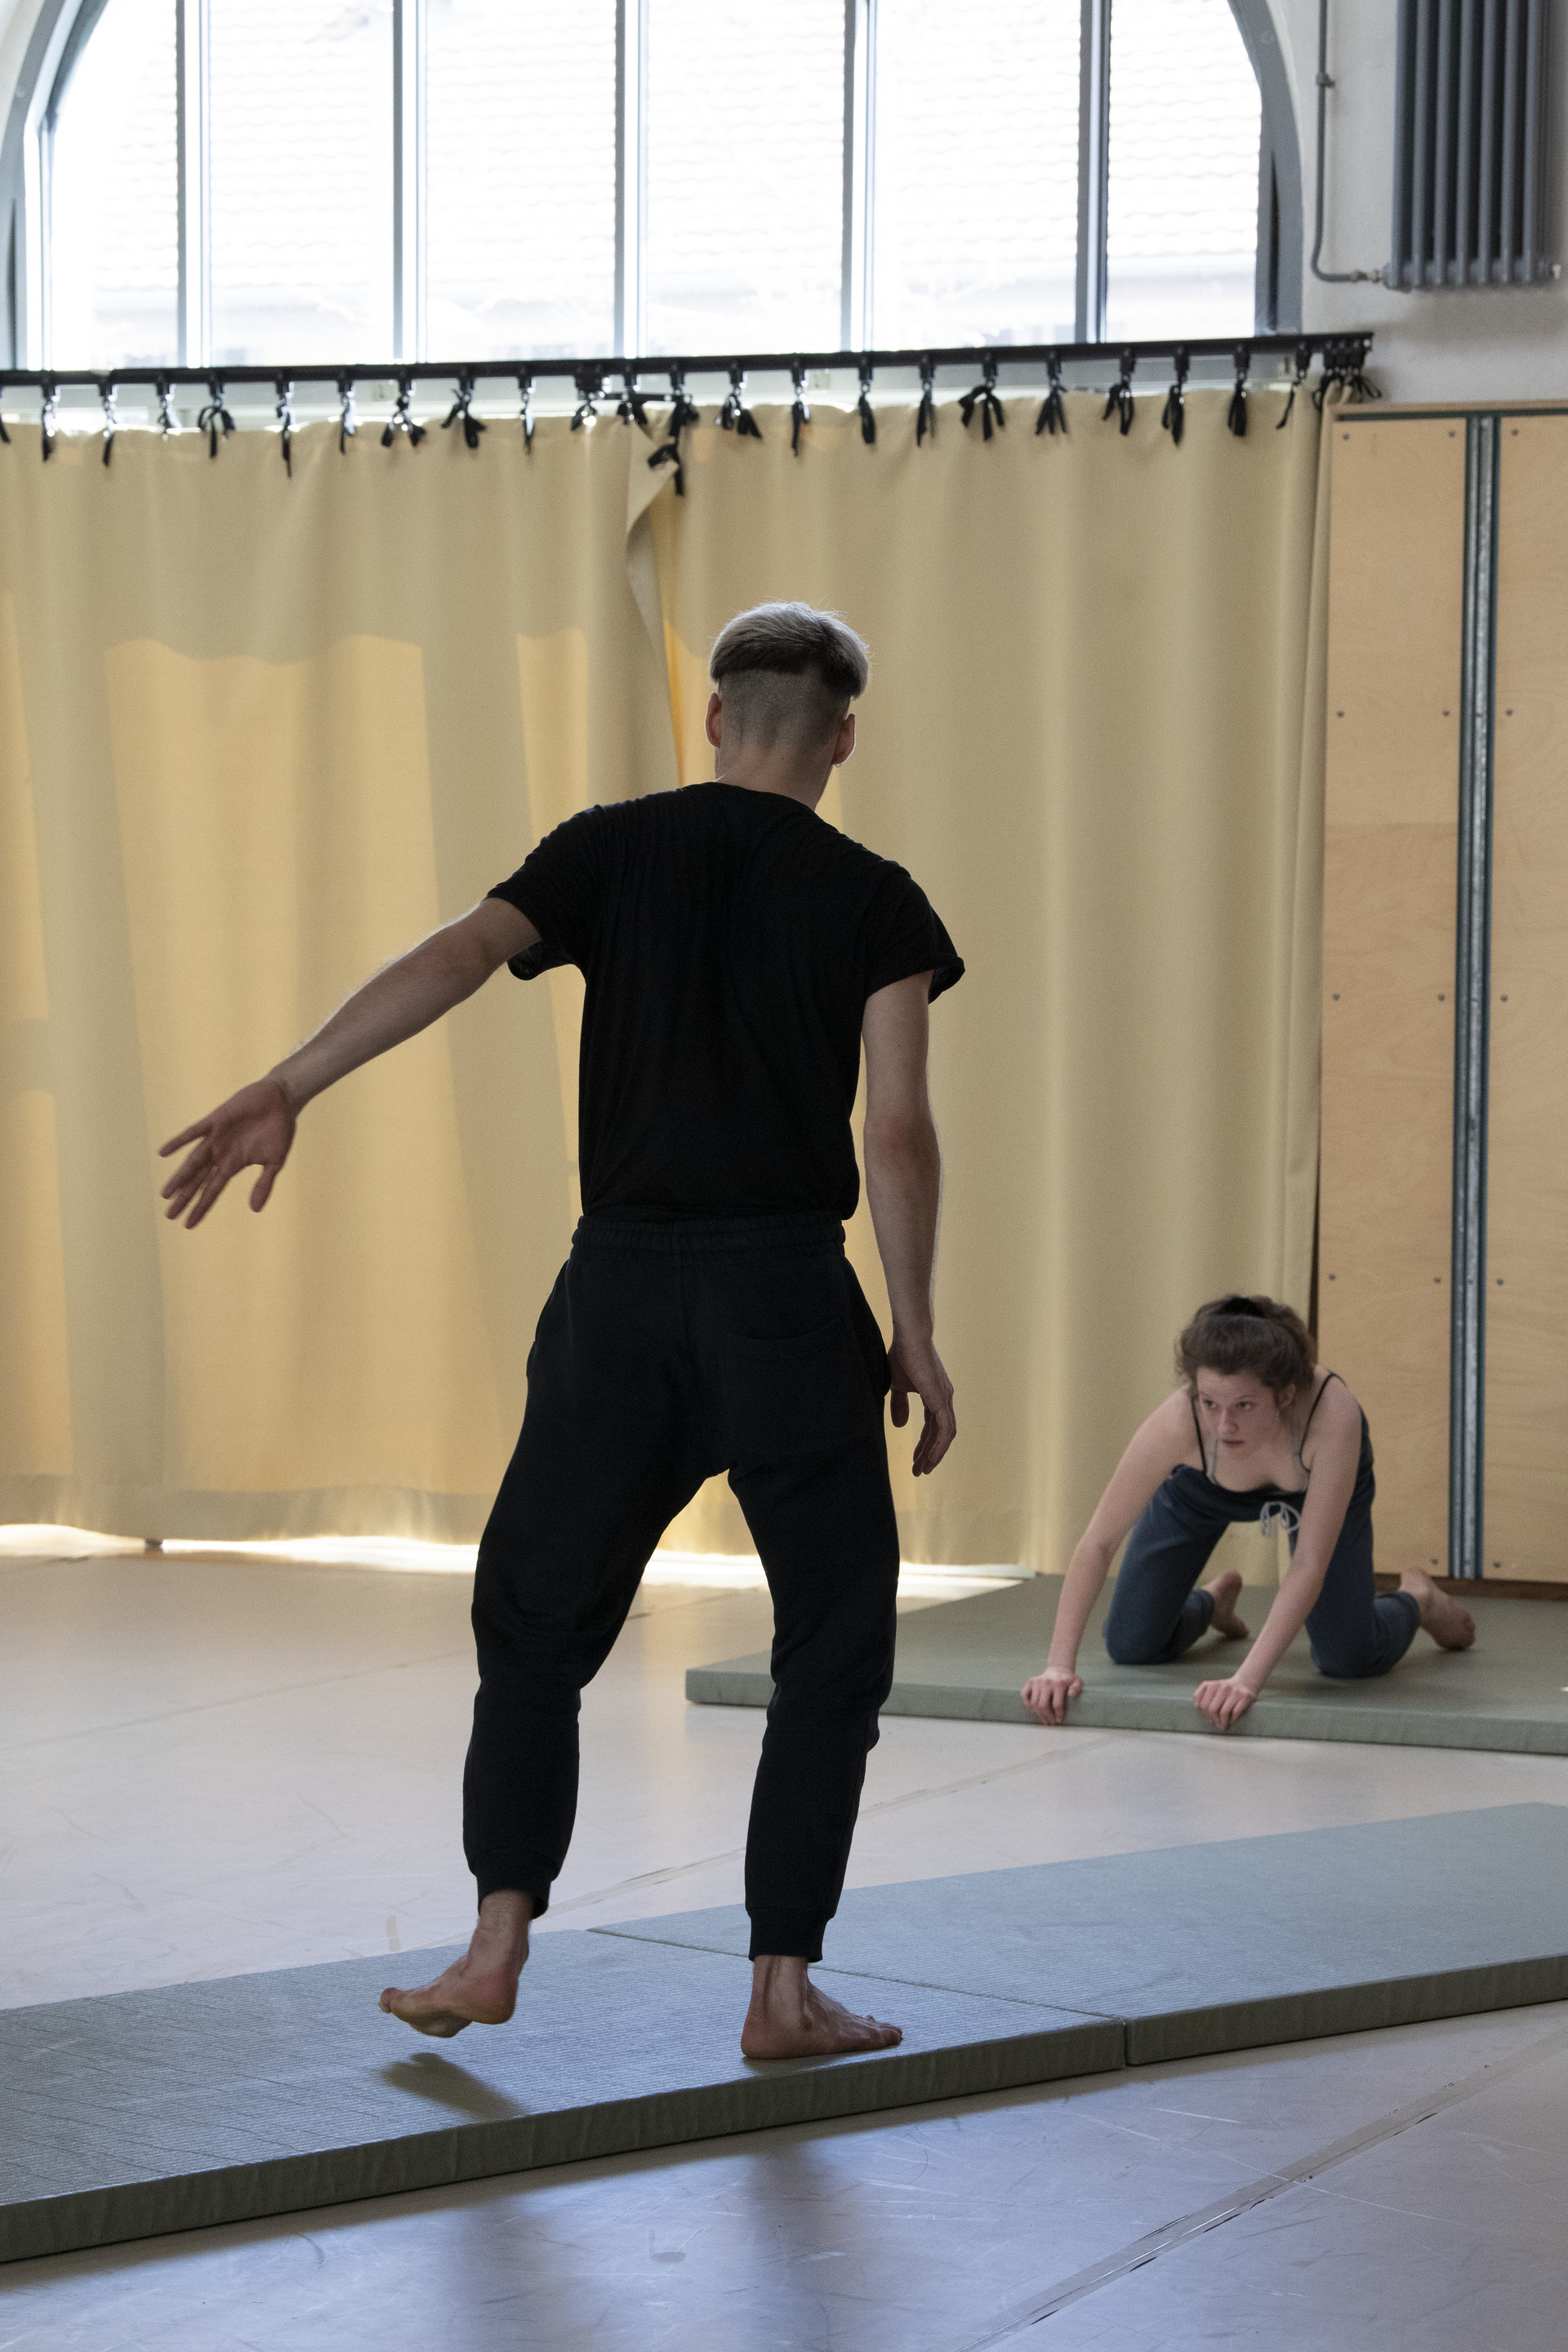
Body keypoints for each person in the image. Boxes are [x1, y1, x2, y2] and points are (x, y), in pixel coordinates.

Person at [158, 601, 963, 2058]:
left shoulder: (610, 847)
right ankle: (781, 1992)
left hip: (623, 1297)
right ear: (842, 738)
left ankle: (493, 1945)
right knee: (832, 1639)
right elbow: (895, 1131)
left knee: (532, 1625)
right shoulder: (876, 899)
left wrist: (293, 1080)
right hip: (788, 1299)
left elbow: (459, 955)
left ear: (714, 717)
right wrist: (913, 1326)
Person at [1021, 1294, 1475, 1732]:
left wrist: (1246, 1680)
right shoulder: (1178, 1421)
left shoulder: (1333, 1415)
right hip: (1201, 1491)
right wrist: (1058, 1667)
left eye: (1244, 1405)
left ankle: (1417, 1599)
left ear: (1285, 1396)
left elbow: (1308, 1565)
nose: (1224, 1426)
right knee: (1131, 1645)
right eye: (1210, 1403)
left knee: (1348, 1659)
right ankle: (1212, 1604)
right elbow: (1099, 1542)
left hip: (1311, 1491)